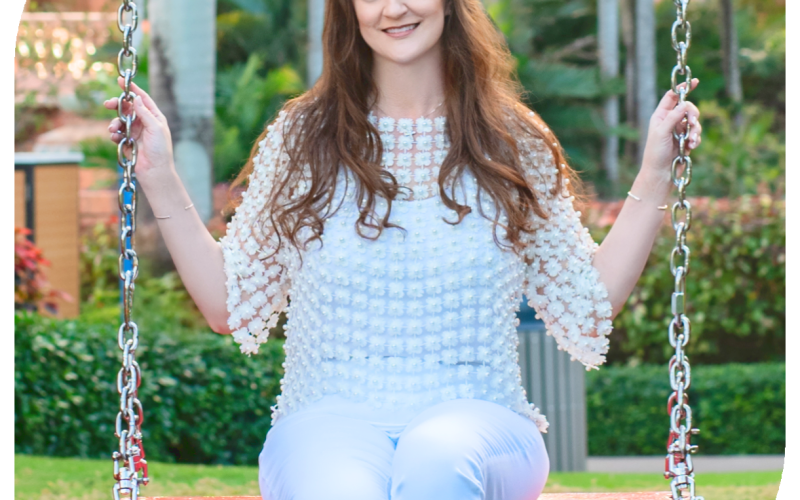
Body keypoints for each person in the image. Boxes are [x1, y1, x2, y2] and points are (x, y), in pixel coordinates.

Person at [104, 1, 702, 498]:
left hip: (481, 418)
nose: (394, 8)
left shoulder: (512, 142)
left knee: (436, 460)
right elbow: (227, 304)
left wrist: (656, 172)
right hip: (326, 420)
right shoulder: (303, 139)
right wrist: (158, 175)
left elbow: (589, 305)